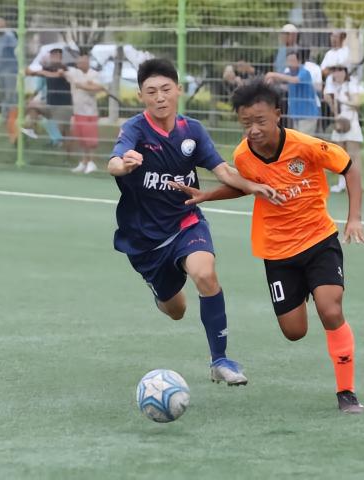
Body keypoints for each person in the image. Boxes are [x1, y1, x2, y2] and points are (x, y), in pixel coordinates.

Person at [171, 80, 364, 414]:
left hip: (319, 240)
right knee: (294, 331)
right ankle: (306, 290)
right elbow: (245, 186)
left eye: (260, 121)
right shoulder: (243, 155)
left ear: (278, 114)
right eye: (246, 123)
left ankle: (346, 392)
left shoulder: (305, 145)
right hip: (277, 252)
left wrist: (354, 219)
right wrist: (207, 195)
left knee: (331, 310)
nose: (254, 129)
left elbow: (349, 167)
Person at [107, 59, 279, 385]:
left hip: (186, 221)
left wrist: (252, 185)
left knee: (204, 273)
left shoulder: (192, 131)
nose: (160, 97)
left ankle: (220, 361)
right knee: (176, 310)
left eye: (166, 89)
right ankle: (160, 291)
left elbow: (223, 170)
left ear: (179, 90)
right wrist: (124, 163)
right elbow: (114, 161)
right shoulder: (135, 129)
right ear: (141, 96)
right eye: (151, 92)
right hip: (146, 240)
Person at [324, 65, 364, 193]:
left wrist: (343, 100)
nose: (337, 73)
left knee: (353, 154)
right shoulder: (333, 87)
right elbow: (333, 107)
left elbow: (357, 103)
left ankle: (356, 184)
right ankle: (342, 183)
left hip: (351, 121)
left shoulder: (352, 85)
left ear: (345, 72)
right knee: (340, 154)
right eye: (335, 71)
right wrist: (331, 103)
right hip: (340, 122)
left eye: (340, 70)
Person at [26, 48, 73, 156]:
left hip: (63, 107)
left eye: (56, 56)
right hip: (50, 105)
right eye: (52, 56)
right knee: (33, 107)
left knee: (65, 132)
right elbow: (28, 71)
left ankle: (68, 156)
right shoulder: (47, 68)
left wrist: (41, 72)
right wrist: (38, 68)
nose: (54, 58)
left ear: (60, 57)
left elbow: (58, 74)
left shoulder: (64, 68)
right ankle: (32, 129)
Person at [65, 51, 106, 174]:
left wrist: (82, 86)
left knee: (90, 141)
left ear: (87, 62)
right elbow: (62, 72)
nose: (80, 63)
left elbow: (99, 87)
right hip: (77, 112)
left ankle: (91, 163)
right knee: (82, 140)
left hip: (90, 113)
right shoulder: (74, 73)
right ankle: (84, 162)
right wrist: (86, 85)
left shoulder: (94, 74)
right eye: (78, 61)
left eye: (83, 61)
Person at [265, 51, 319, 135]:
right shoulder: (289, 73)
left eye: (292, 60)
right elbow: (284, 82)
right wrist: (272, 80)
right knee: (298, 140)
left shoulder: (304, 72)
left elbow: (295, 80)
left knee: (303, 140)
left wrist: (274, 75)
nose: (290, 63)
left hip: (307, 115)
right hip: (296, 115)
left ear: (299, 61)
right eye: (288, 61)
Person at [0, 17, 18, 121]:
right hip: (1, 68)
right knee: (2, 94)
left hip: (10, 68)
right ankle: (5, 117)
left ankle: (12, 118)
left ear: (3, 24)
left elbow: (15, 47)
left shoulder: (9, 35)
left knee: (10, 94)